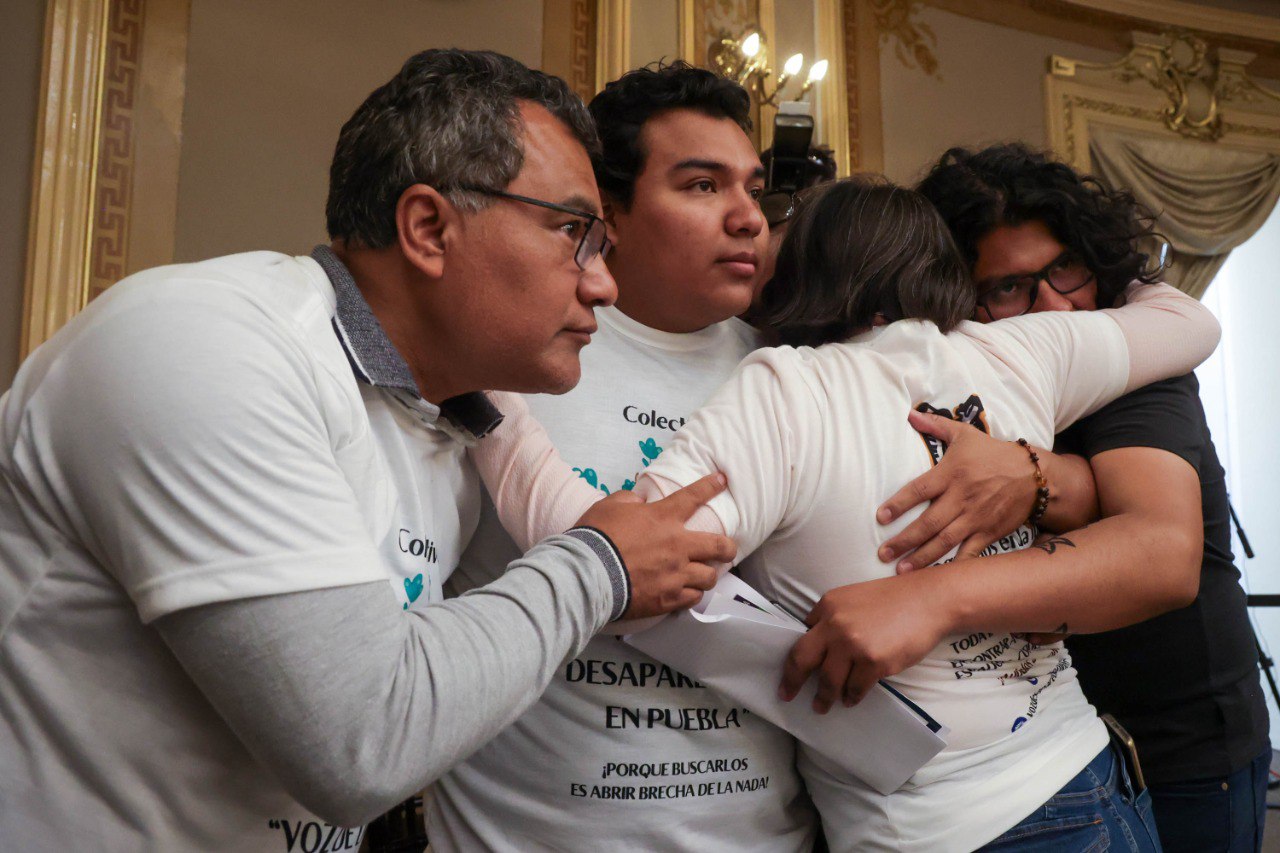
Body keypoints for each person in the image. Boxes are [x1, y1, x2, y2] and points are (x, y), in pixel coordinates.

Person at [0, 49, 736, 851]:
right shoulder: (205, 342)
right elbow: (363, 742)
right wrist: (603, 565)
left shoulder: (452, 426)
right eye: (573, 233)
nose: (604, 284)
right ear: (428, 228)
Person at [469, 176, 1221, 851]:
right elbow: (1192, 322)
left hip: (940, 827)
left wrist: (488, 404)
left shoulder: (789, 390)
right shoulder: (1025, 350)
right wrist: (1113, 272)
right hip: (1089, 781)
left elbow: (626, 571)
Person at [428, 62, 817, 852]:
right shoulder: (511, 368)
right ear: (610, 214)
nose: (748, 217)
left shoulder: (796, 374)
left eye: (751, 188)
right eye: (703, 186)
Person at [898, 143, 1270, 852]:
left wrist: (1027, 484)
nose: (1052, 305)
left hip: (1185, 738)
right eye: (1010, 287)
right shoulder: (963, 368)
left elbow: (1161, 556)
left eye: (1063, 270)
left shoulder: (1141, 361)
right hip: (1054, 744)